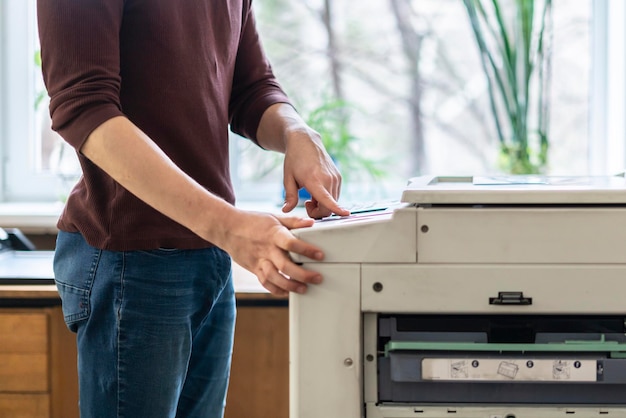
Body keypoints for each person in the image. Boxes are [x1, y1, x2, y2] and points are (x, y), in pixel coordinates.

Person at [37, 1, 350, 417]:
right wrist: (227, 227)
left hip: (208, 253)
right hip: (130, 259)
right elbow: (84, 107)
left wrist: (296, 132)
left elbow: (251, 87)